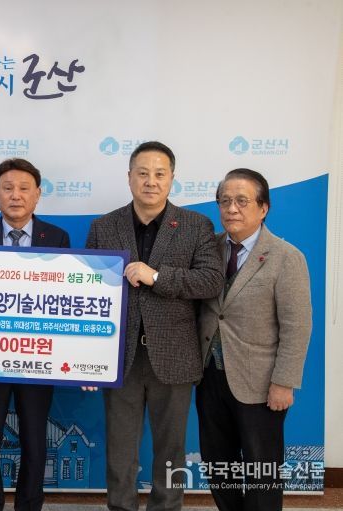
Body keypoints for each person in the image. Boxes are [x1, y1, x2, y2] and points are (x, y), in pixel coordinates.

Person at [84, 141, 223, 511]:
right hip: (120, 358)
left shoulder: (196, 225)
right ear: (129, 177)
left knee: (171, 451)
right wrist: (87, 359)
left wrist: (156, 276)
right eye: (143, 173)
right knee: (120, 450)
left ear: (172, 179)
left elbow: (210, 281)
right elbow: (89, 294)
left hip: (175, 357)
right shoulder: (103, 227)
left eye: (160, 174)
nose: (151, 181)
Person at [196, 168, 312, 511]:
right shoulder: (208, 250)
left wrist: (284, 382)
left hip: (261, 383)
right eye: (225, 201)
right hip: (209, 376)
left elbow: (297, 326)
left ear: (263, 208)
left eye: (242, 201)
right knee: (219, 465)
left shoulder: (285, 257)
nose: (232, 208)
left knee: (262, 470)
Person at [0, 158, 70, 511]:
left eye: (24, 188)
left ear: (37, 195)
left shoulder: (56, 238)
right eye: (7, 188)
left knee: (35, 441)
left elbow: (66, 301)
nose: (16, 195)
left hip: (38, 357)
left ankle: (29, 505)